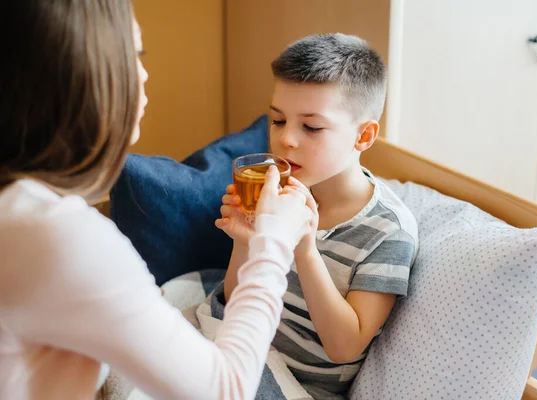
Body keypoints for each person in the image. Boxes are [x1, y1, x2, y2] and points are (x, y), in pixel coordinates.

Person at [0, 1, 314, 399]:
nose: (144, 73)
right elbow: (225, 389)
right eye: (135, 54)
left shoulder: (24, 209)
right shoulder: (57, 236)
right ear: (81, 71)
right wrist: (274, 242)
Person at [215, 34, 419, 398]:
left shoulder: (387, 232)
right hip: (245, 351)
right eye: (278, 120)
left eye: (311, 127)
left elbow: (345, 347)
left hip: (294, 387)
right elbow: (235, 303)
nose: (287, 140)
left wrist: (304, 250)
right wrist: (246, 243)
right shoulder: (275, 192)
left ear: (364, 136)